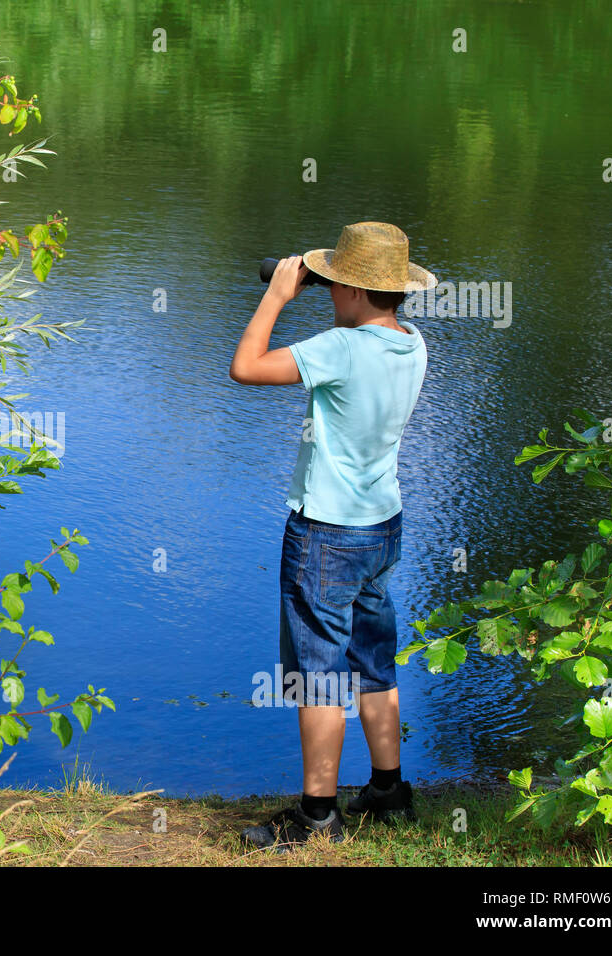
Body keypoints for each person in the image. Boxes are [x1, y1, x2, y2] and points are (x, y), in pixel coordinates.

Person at [229, 221, 435, 852]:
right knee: (373, 658)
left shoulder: (340, 349)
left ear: (348, 290)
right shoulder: (413, 344)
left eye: (333, 285)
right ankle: (388, 789)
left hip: (325, 533)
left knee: (317, 675)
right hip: (381, 527)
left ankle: (317, 815)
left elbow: (246, 367)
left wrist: (278, 295)